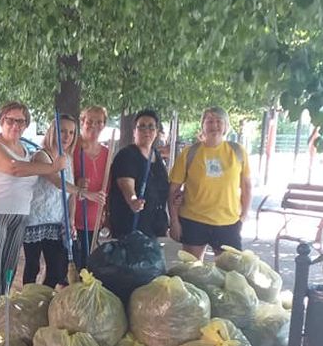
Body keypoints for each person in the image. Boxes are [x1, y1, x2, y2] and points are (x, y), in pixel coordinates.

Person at [0, 101, 67, 313]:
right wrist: (52, 166)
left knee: (8, 270)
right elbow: (14, 169)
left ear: (26, 124)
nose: (15, 125)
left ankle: (1, 314)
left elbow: (33, 173)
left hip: (20, 215)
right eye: (10, 120)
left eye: (21, 121)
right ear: (2, 120)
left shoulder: (25, 150)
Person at [168, 106, 252, 258]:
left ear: (226, 126)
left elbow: (247, 187)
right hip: (194, 221)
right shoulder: (189, 153)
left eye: (219, 121)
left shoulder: (238, 152)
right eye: (209, 121)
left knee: (230, 269)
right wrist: (174, 221)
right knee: (191, 269)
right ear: (203, 126)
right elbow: (173, 190)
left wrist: (244, 216)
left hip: (228, 222)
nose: (214, 125)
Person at [22, 115, 88, 288]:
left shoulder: (68, 158)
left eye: (71, 133)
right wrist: (83, 192)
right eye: (62, 131)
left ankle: (45, 297)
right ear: (53, 132)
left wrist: (71, 219)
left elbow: (70, 194)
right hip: (36, 219)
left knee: (56, 270)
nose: (67, 136)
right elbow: (58, 182)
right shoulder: (41, 156)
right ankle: (29, 298)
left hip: (57, 219)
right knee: (33, 266)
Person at [108, 108, 170, 239]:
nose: (146, 130)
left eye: (151, 127)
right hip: (131, 226)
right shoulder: (127, 155)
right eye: (141, 126)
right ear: (134, 131)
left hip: (154, 225)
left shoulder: (156, 155)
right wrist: (133, 200)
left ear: (156, 132)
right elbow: (125, 184)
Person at [73, 105, 110, 267]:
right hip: (72, 218)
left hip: (94, 218)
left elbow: (108, 187)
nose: (94, 125)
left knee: (88, 267)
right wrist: (76, 183)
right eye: (90, 121)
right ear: (82, 122)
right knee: (69, 268)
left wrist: (106, 213)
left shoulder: (107, 153)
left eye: (99, 122)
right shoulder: (72, 148)